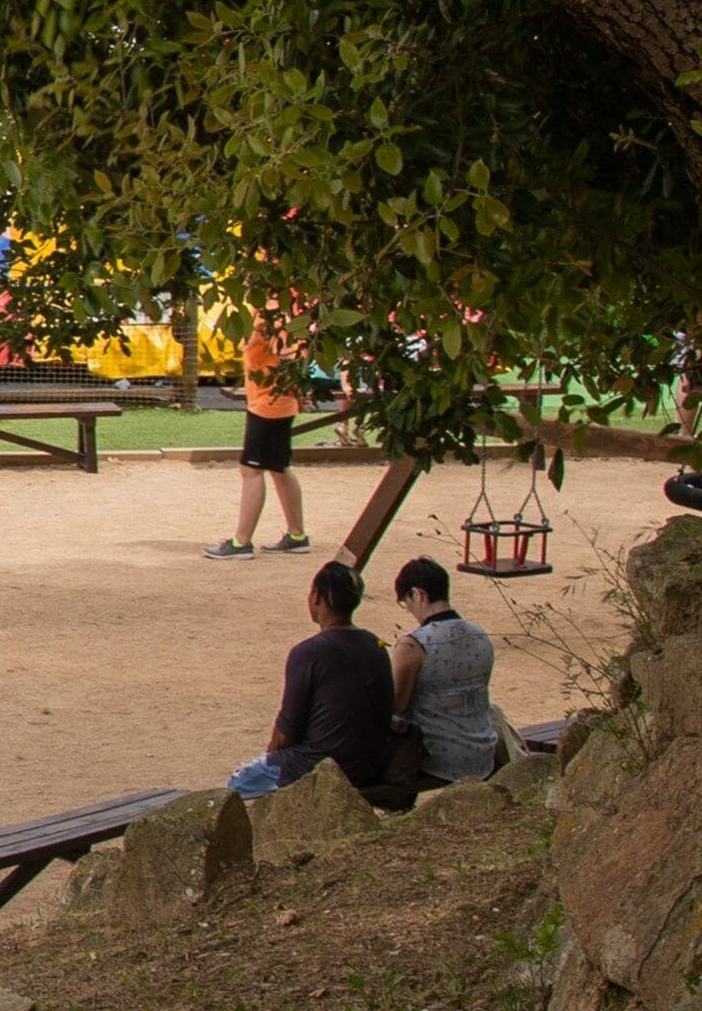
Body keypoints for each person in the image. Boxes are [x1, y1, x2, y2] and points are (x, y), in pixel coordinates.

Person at [231, 561, 394, 798]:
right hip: (368, 764)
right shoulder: (375, 644)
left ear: (317, 597)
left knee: (239, 783)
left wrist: (273, 755)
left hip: (322, 764)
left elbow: (287, 731)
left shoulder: (309, 653)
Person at [205, 316, 313, 558]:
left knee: (251, 469)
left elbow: (289, 355)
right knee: (278, 467)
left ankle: (242, 542)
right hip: (268, 400)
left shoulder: (276, 312)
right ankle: (297, 535)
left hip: (271, 403)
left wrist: (299, 390)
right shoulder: (264, 309)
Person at [388, 556, 501, 787]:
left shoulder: (413, 645)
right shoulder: (480, 635)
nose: (408, 610)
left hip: (438, 758)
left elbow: (396, 706)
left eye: (405, 602)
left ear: (418, 594)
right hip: (483, 752)